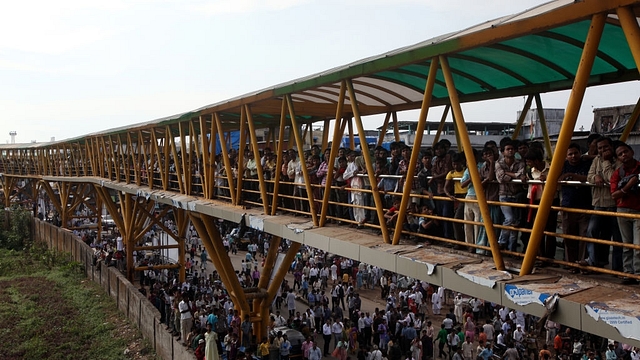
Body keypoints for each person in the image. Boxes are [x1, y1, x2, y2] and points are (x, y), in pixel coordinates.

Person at [584, 136, 622, 271]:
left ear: (611, 147)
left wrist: (606, 163)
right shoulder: (596, 160)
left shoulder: (619, 161)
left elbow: (613, 179)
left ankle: (618, 268)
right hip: (598, 203)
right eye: (600, 148)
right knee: (592, 231)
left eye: (605, 147)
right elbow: (589, 176)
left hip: (614, 204)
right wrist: (595, 177)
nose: (603, 150)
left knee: (617, 238)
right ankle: (593, 261)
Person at [610, 142, 640, 284]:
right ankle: (629, 273)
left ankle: (638, 273)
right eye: (620, 154)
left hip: (637, 210)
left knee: (637, 246)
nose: (624, 155)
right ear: (618, 158)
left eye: (625, 152)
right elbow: (614, 195)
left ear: (631, 152)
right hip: (623, 210)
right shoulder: (618, 173)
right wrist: (628, 186)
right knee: (627, 245)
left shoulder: (639, 168)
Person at [495, 140, 527, 252]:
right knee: (510, 218)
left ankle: (511, 249)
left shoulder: (520, 162)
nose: (510, 151)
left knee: (515, 225)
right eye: (508, 149)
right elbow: (500, 178)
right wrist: (515, 176)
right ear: (503, 152)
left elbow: (520, 175)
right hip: (504, 195)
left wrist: (507, 173)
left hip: (516, 196)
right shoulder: (499, 163)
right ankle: (502, 241)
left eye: (512, 149)